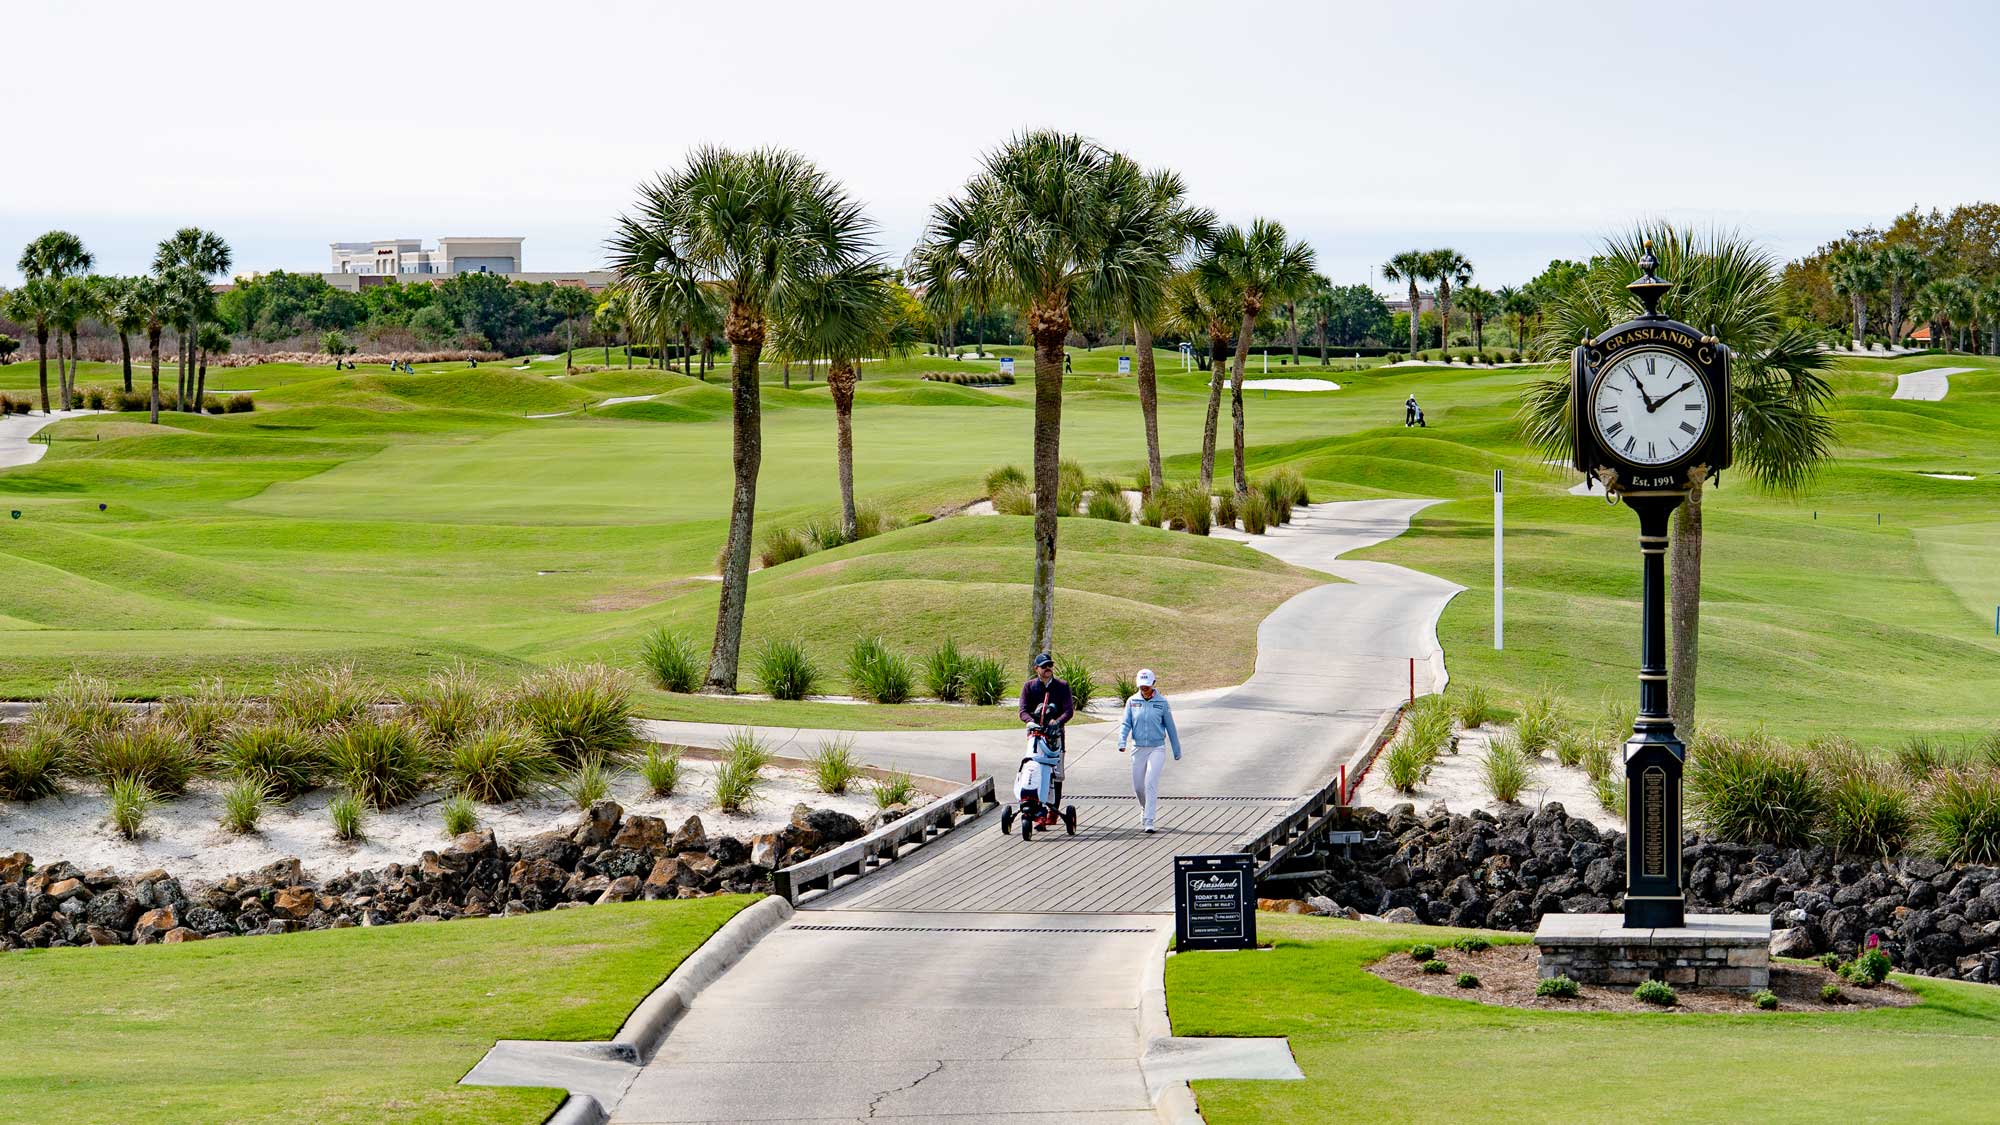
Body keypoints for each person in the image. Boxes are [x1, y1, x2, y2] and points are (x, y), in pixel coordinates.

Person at [1116, 668, 1181, 833]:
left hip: (1156, 748)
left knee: (1150, 782)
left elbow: (1170, 727)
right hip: (1138, 748)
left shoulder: (1162, 702)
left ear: (1153, 683)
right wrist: (1122, 741)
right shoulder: (1132, 701)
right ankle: (1144, 807)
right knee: (1139, 787)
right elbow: (1126, 723)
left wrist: (1176, 750)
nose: (1144, 688)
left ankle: (1149, 820)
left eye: (1147, 685)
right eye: (1141, 685)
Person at [1018, 652, 1074, 821]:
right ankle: (1038, 810)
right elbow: (1023, 711)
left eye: (1050, 665)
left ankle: (1053, 811)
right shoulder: (1029, 687)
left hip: (1055, 737)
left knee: (1056, 775)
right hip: (1035, 737)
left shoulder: (1062, 686)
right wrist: (1030, 721)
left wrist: (1057, 722)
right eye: (1044, 666)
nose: (1048, 668)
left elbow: (1069, 711)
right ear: (1036, 668)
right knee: (1035, 771)